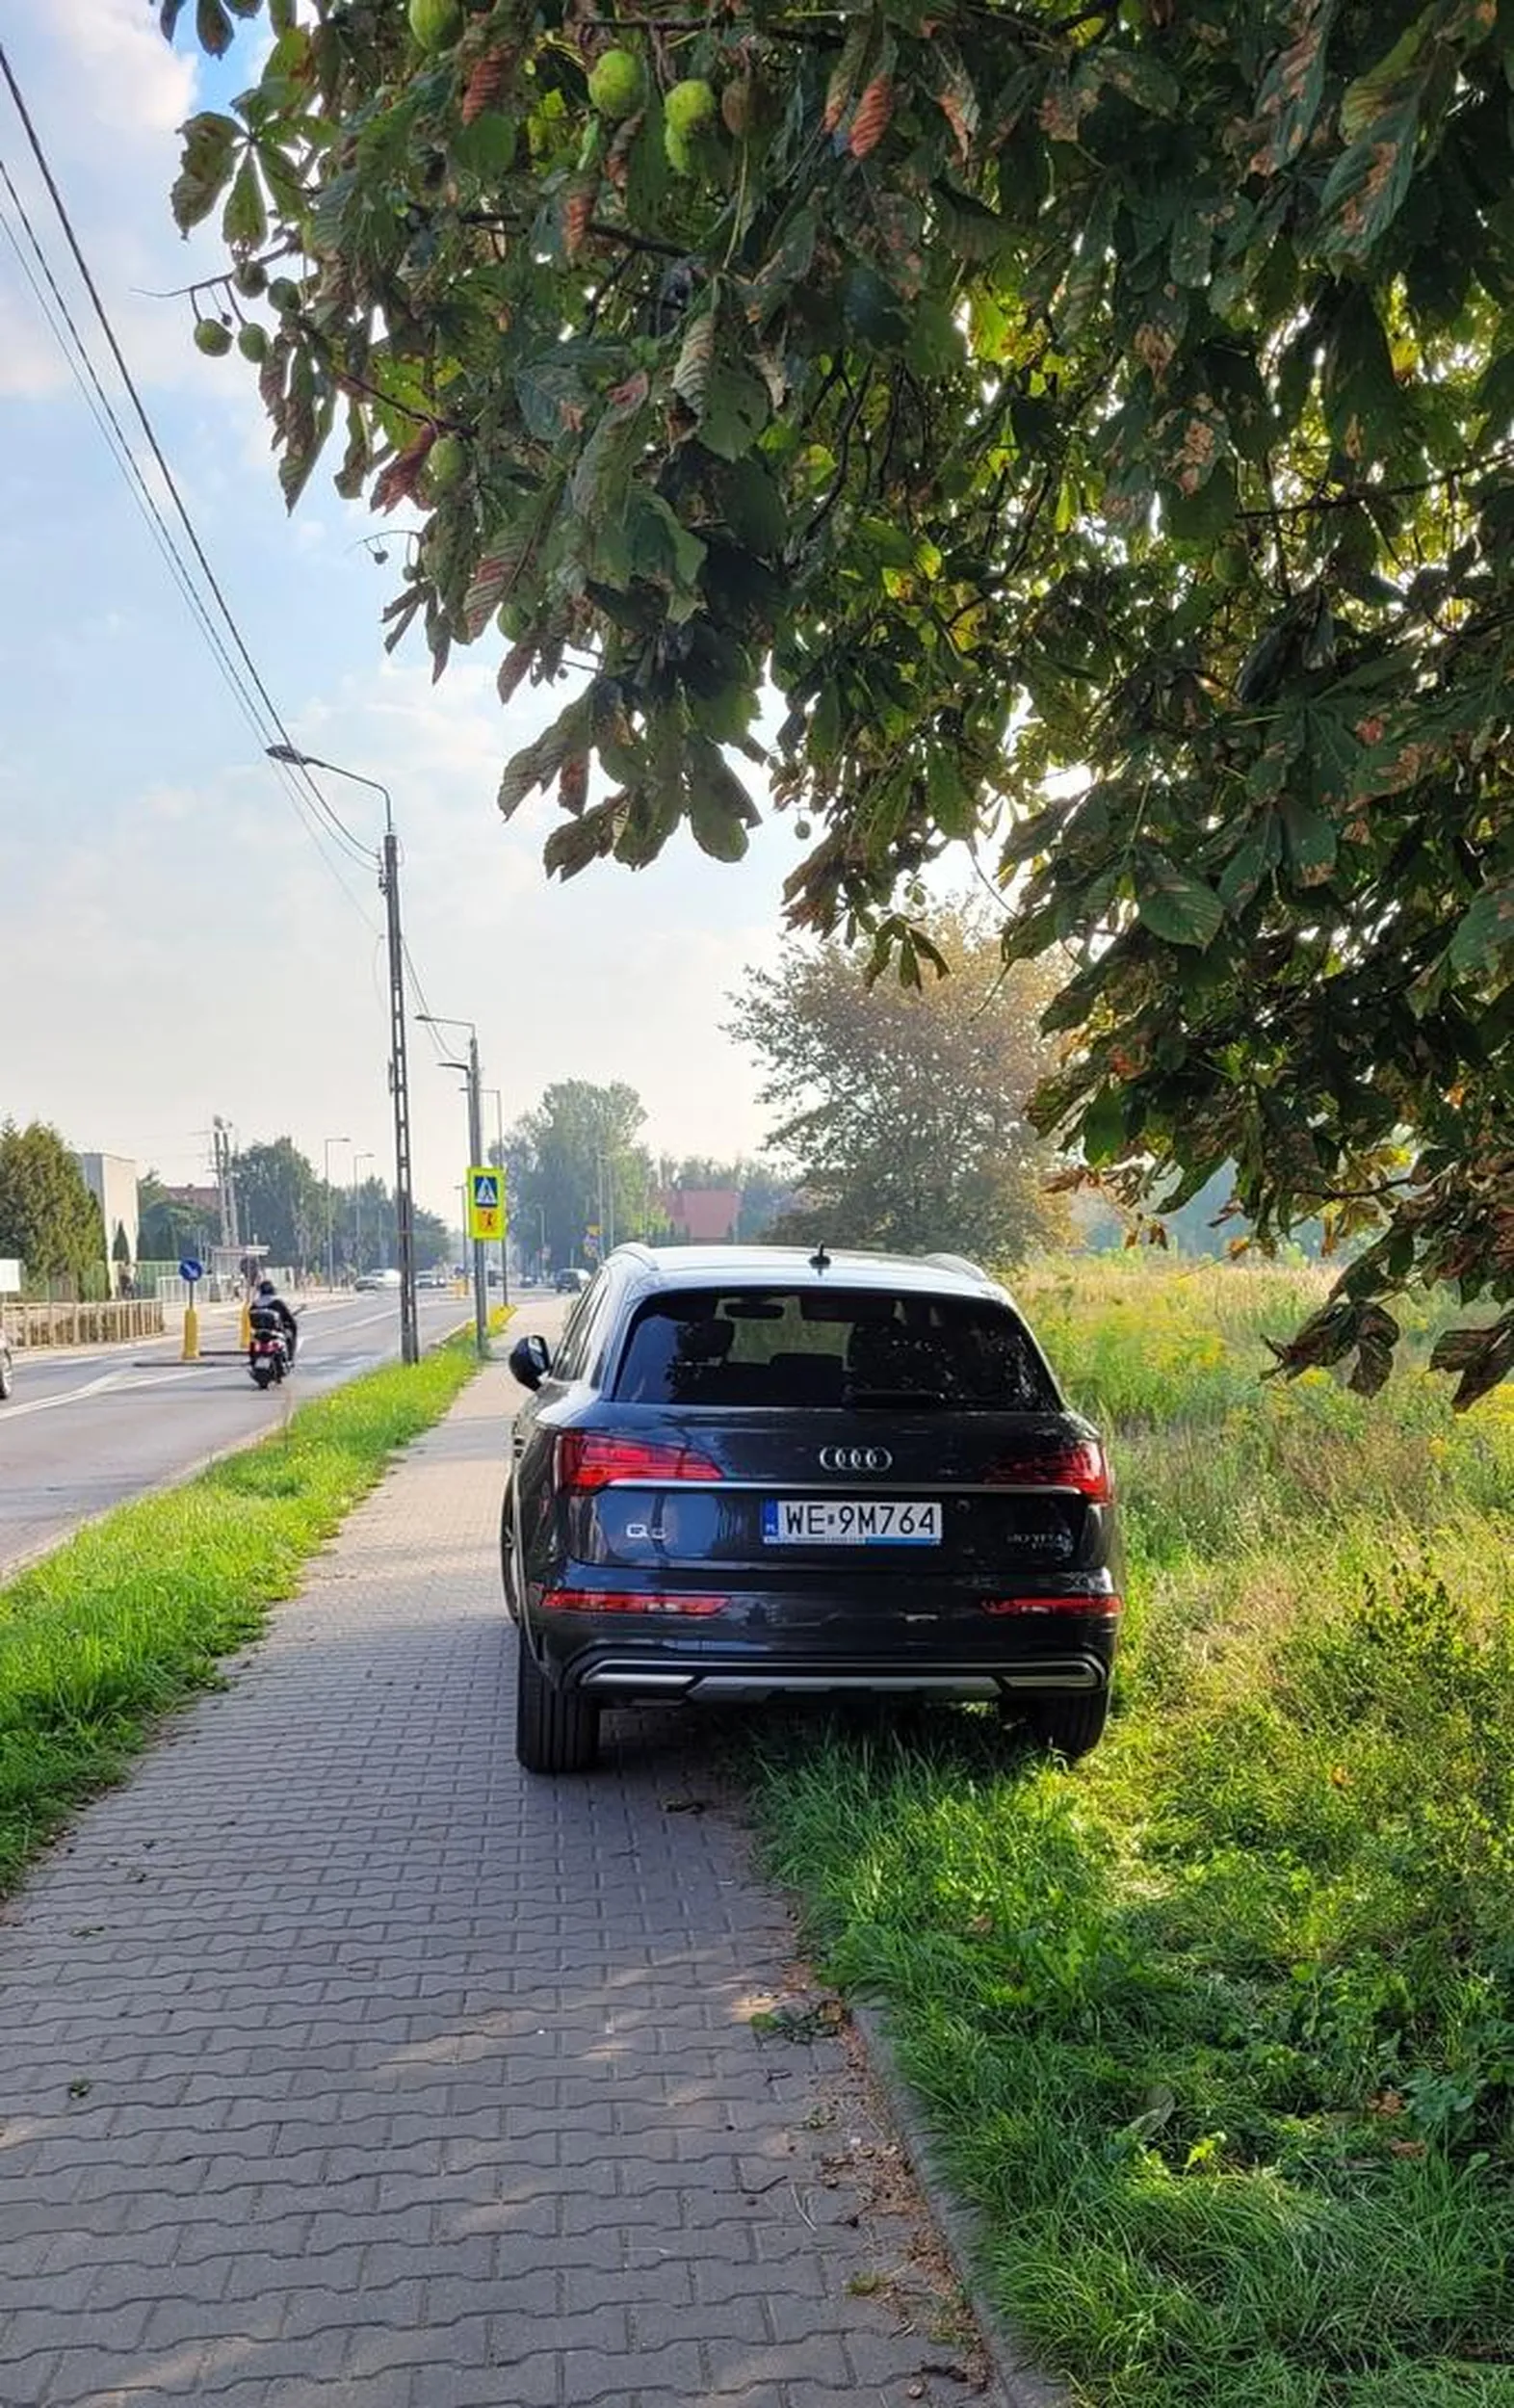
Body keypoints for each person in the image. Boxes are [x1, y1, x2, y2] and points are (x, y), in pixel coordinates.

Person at [249, 1276, 299, 1366]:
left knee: (253, 1341)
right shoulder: (277, 1302)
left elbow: (250, 1318)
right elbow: (288, 1317)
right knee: (292, 1330)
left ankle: (253, 1359)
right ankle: (290, 1357)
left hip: (259, 1333)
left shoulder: (255, 1303)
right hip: (275, 1332)